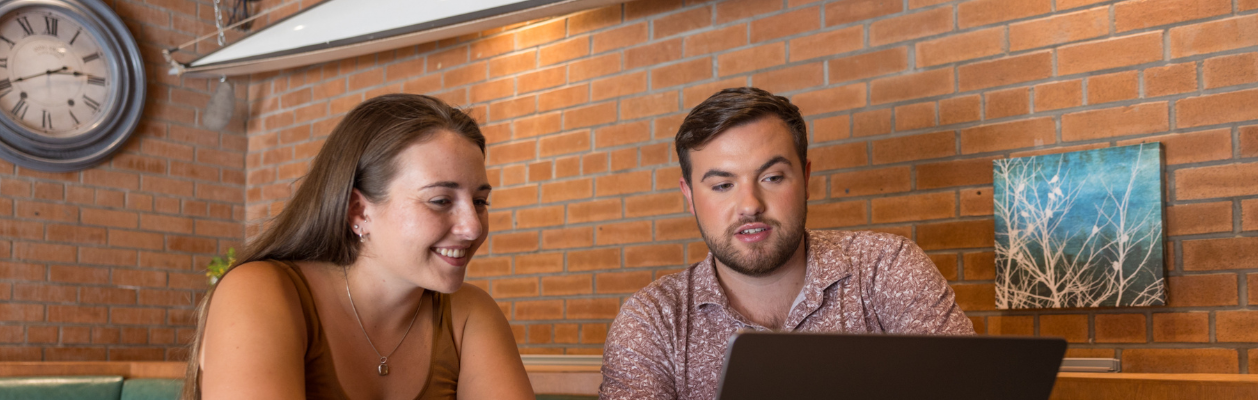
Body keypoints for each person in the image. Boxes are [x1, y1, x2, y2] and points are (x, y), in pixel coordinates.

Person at [598, 87, 975, 400]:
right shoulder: (653, 319)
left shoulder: (886, 268)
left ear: (805, 177)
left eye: (773, 177)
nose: (750, 205)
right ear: (689, 195)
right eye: (723, 185)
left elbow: (968, 390)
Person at [183, 94, 534, 400]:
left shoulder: (469, 313)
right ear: (359, 210)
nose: (472, 227)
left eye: (480, 201)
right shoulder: (260, 291)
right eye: (441, 200)